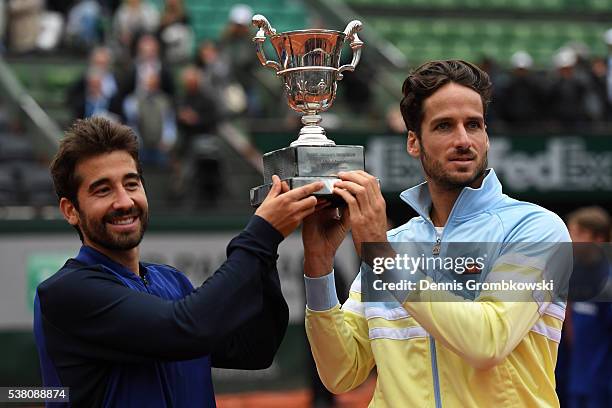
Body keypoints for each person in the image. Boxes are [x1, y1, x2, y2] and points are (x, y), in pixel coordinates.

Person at [302, 60, 571, 406]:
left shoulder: (536, 229)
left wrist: (382, 256)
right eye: (444, 126)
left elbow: (487, 341)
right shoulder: (395, 244)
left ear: (486, 135)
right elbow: (342, 373)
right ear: (414, 143)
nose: (463, 140)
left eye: (473, 125)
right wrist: (319, 266)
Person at [33, 116, 324, 407]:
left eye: (131, 184)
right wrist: (262, 234)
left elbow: (256, 348)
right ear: (70, 210)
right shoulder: (65, 292)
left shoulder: (170, 281)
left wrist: (268, 251)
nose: (124, 201)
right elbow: (184, 329)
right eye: (103, 190)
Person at [564, 207, 612, 408]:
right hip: (575, 384)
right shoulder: (571, 276)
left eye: (579, 233)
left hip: (603, 389)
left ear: (599, 238)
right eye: (570, 232)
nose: (571, 240)